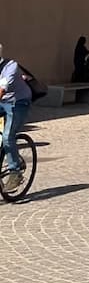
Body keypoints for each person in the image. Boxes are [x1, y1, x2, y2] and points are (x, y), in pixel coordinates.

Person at [0, 46, 32, 184]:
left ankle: (15, 172)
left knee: (8, 136)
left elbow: (1, 90)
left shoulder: (10, 66)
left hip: (17, 102)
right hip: (3, 102)